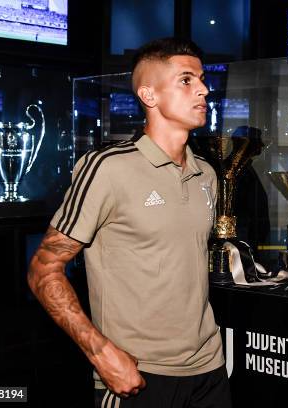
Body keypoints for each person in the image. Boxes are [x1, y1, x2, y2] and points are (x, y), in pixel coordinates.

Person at [27, 38, 231, 408]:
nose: (203, 89)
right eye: (186, 80)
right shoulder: (108, 167)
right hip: (138, 373)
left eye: (202, 79)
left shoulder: (206, 174)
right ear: (149, 95)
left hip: (210, 369)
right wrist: (101, 352)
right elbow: (44, 271)